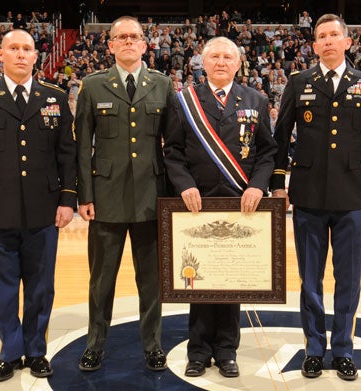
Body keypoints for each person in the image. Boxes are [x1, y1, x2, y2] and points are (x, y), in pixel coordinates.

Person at [270, 14, 361, 381]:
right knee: (310, 280)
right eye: (320, 36)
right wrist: (279, 183)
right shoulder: (298, 82)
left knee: (349, 280)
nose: (327, 41)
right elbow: (281, 139)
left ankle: (342, 349)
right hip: (307, 196)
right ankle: (313, 349)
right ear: (314, 45)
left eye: (333, 35)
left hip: (352, 197)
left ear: (347, 42)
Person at [0, 29, 77, 382]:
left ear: (36, 56)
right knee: (2, 289)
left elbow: (67, 152)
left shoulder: (54, 95)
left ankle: (36, 351)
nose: (21, 54)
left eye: (27, 49)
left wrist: (68, 200)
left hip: (44, 210)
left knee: (41, 288)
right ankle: (10, 352)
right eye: (14, 48)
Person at [163, 36, 277, 378]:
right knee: (197, 278)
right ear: (203, 62)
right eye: (215, 56)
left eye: (228, 57)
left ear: (238, 63)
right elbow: (173, 152)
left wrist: (258, 184)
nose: (221, 62)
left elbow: (267, 152)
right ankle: (197, 351)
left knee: (230, 280)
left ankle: (227, 350)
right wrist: (184, 186)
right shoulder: (184, 101)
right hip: (196, 205)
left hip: (239, 205)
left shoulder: (255, 99)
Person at [74, 16, 173, 373]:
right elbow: (82, 144)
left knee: (152, 281)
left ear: (145, 44)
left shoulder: (162, 85)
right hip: (106, 198)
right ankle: (95, 344)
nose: (129, 41)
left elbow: (173, 146)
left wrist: (173, 199)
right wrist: (84, 196)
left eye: (135, 36)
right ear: (110, 45)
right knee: (101, 281)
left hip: (151, 197)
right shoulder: (93, 85)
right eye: (121, 37)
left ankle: (153, 345)